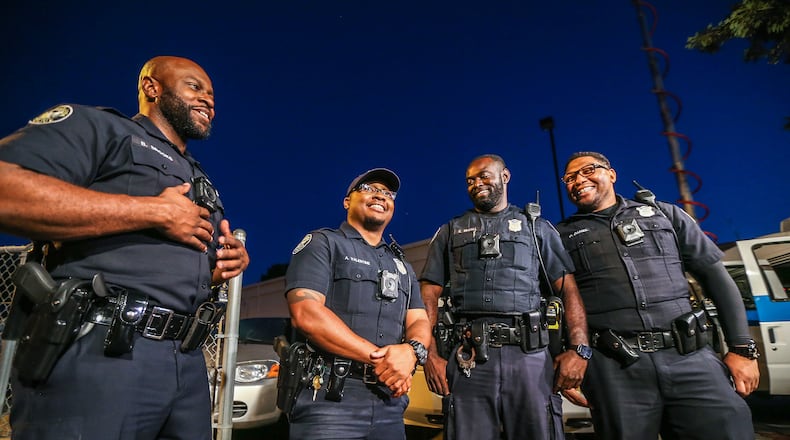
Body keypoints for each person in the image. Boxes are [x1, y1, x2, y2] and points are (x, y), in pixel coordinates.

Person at [0, 56, 249, 440]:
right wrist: (152, 211)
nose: (208, 101)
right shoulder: (102, 128)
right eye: (194, 87)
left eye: (213, 96)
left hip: (185, 362)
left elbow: (161, 263)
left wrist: (222, 266)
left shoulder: (201, 179)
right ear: (152, 88)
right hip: (103, 354)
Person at [555, 151, 759, 440]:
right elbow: (559, 304)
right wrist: (571, 360)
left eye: (589, 170)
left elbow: (716, 277)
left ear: (612, 174)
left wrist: (742, 349)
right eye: (570, 178)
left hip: (690, 359)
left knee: (729, 430)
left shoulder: (665, 214)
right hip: (616, 369)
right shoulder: (560, 235)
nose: (579, 180)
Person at [419, 154, 590, 440]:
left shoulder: (537, 228)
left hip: (530, 358)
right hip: (468, 357)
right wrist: (430, 355)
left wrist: (579, 349)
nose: (477, 183)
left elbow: (568, 290)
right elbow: (428, 294)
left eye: (484, 175)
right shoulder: (450, 230)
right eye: (470, 180)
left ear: (505, 177)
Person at [283, 168, 432, 440]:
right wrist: (383, 360)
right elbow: (307, 314)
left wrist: (411, 353)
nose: (380, 195)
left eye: (387, 193)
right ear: (346, 201)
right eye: (368, 189)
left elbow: (419, 320)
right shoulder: (323, 244)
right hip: (331, 399)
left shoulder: (403, 267)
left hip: (390, 401)